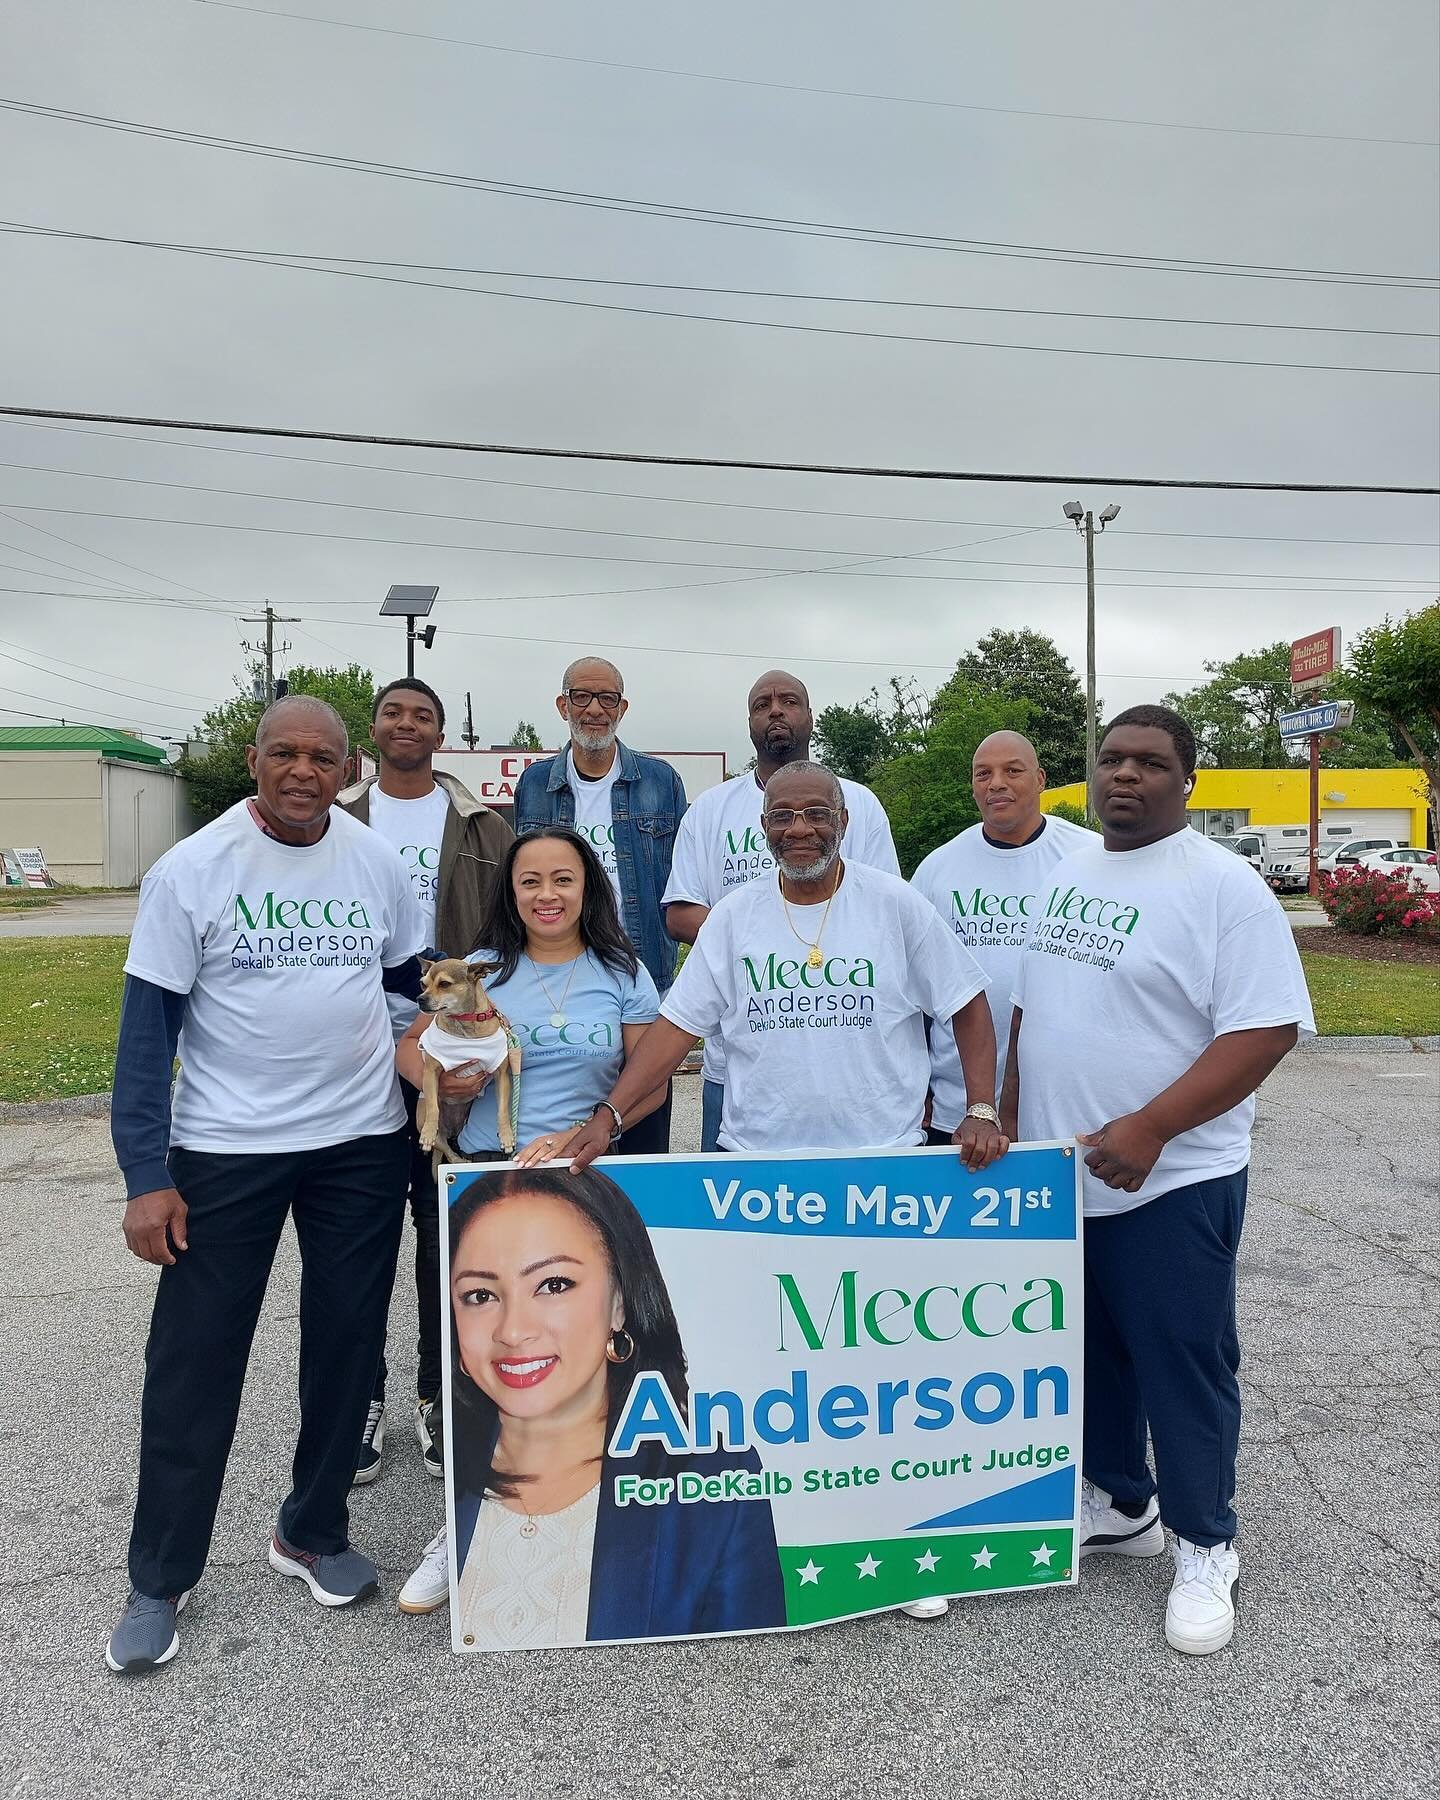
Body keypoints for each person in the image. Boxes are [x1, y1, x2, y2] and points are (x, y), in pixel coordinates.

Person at [568, 761, 1005, 1624]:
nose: (798, 829)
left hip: (875, 1174)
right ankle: (778, 1533)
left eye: (815, 814)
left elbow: (969, 1003)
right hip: (759, 1171)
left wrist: (979, 1106)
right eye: (781, 817)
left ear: (843, 819)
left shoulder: (896, 906)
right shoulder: (734, 919)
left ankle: (891, 1547)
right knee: (767, 1372)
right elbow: (675, 1031)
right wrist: (609, 1119)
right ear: (760, 828)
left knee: (874, 1378)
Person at [105, 696, 424, 1675]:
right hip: (225, 1150)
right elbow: (146, 1035)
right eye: (283, 752)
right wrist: (146, 1174)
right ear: (254, 758)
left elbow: (409, 986)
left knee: (345, 1341)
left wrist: (438, 1058)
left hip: (360, 1143)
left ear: (349, 768)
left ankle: (312, 1531)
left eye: (321, 756)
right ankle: (160, 1576)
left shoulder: (376, 863)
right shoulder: (192, 871)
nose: (301, 770)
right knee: (196, 1361)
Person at [1002, 706, 1314, 1657]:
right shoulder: (1071, 868)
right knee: (1093, 1350)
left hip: (1173, 1175)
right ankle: (1120, 1501)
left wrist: (1151, 1127)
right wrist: (1009, 1116)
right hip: (1065, 1171)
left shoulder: (1224, 888)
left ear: (1189, 781)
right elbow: (1033, 1008)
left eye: (1149, 763)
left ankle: (1206, 1541)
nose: (1125, 776)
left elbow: (1262, 1031)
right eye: (1112, 760)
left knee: (1182, 1356)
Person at [391, 826, 668, 1615]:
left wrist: (602, 1125)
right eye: (529, 883)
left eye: (563, 880)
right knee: (484, 1362)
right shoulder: (480, 970)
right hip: (488, 1182)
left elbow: (649, 1076)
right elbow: (413, 1052)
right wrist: (447, 1085)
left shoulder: (622, 972)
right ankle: (460, 1528)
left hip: (584, 1184)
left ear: (589, 890)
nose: (547, 895)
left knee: (581, 1361)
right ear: (509, 895)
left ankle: (606, 1522)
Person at [446, 1165, 786, 1647]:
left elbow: (744, 1676)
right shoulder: (455, 1463)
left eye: (553, 1284)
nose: (513, 1329)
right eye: (480, 1295)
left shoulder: (712, 1481)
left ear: (620, 1301)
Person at [338, 676, 513, 1485]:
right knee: (360, 1234)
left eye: (425, 716)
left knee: (444, 1235)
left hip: (453, 1044)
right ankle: (360, 1399)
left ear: (442, 735)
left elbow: (508, 932)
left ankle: (438, 1395)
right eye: (394, 713)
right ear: (372, 731)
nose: (408, 725)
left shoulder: (482, 824)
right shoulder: (339, 819)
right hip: (352, 1044)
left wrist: (475, 1042)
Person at [663, 670, 899, 1152]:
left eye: (789, 701)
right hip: (735, 1061)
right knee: (733, 1215)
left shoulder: (861, 804)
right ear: (749, 722)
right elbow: (680, 912)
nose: (775, 710)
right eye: (762, 704)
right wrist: (758, 936)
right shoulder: (710, 810)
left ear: (811, 717)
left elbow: (887, 915)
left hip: (850, 1060)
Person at [514, 656, 687, 1154]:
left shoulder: (661, 782)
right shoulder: (534, 785)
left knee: (641, 1138)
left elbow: (678, 880)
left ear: (623, 707)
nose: (594, 709)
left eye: (607, 698)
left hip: (641, 977)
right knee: (559, 1124)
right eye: (582, 697)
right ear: (562, 705)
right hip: (556, 977)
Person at [910, 730, 1092, 1136]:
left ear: (1041, 779)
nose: (997, 783)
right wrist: (917, 1086)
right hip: (956, 1108)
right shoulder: (937, 869)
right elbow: (914, 993)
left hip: (1061, 1108)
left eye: (1013, 771)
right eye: (983, 774)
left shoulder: (1088, 859)